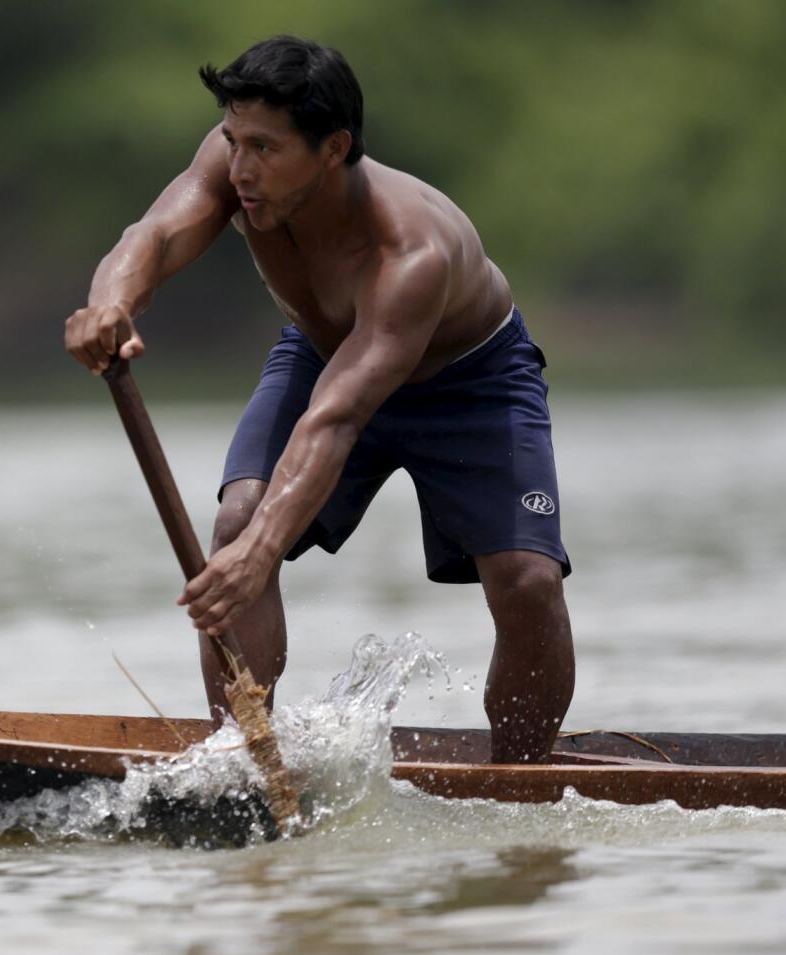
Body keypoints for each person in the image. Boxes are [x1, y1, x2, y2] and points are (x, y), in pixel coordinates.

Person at [63, 36, 574, 763]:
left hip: (470, 379)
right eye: (233, 141)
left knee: (526, 580)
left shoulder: (409, 251)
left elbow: (334, 419)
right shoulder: (234, 166)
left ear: (332, 149)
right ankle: (240, 761)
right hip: (324, 350)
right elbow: (151, 235)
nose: (239, 167)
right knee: (237, 521)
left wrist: (264, 550)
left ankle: (518, 783)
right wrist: (108, 305)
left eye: (264, 149)